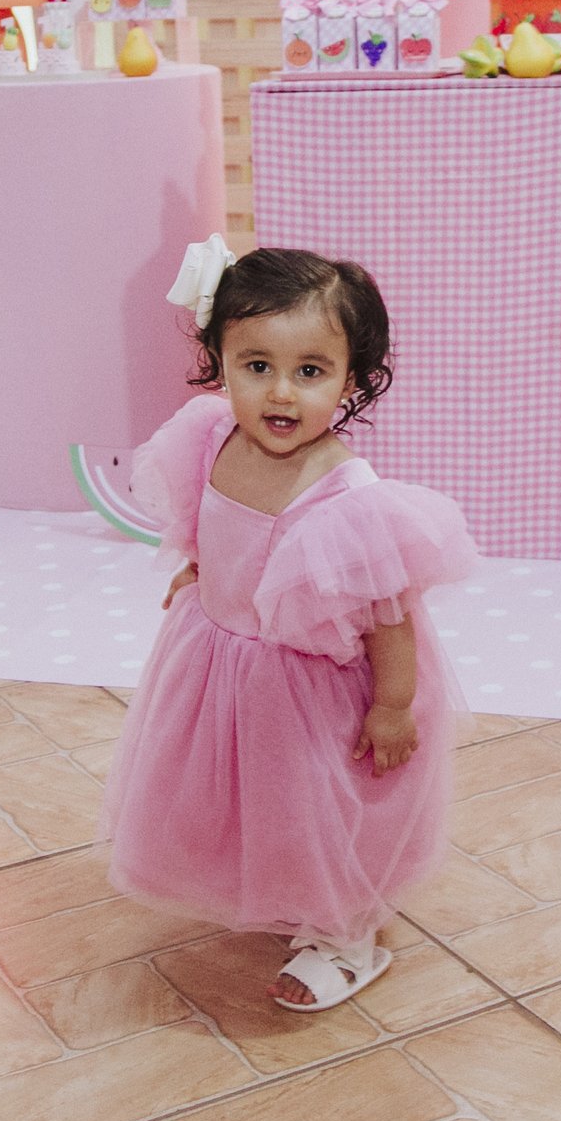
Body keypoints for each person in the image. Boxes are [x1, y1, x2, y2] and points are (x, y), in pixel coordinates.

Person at [101, 237, 477, 1010]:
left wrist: (393, 704)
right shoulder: (210, 438)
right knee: (249, 803)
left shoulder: (348, 496)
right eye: (257, 365)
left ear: (351, 379)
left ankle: (347, 938)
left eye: (310, 371)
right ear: (220, 360)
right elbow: (208, 521)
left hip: (312, 688)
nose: (281, 393)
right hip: (222, 663)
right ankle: (277, 892)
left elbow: (390, 616)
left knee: (317, 810)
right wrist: (201, 570)